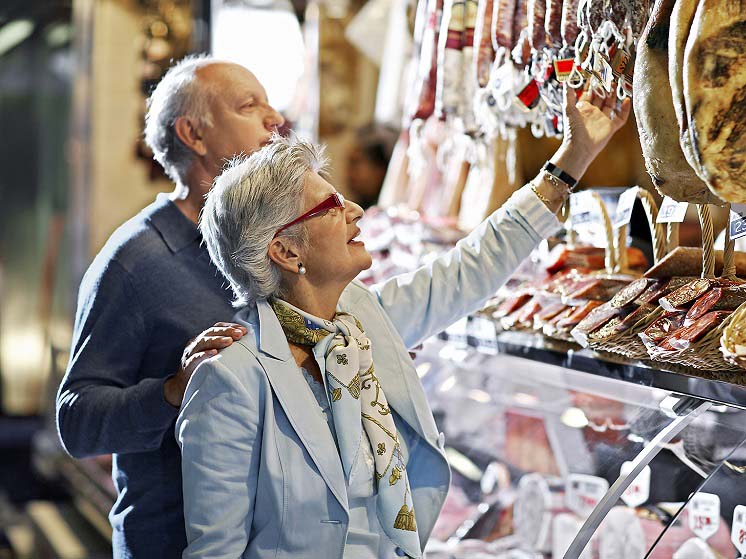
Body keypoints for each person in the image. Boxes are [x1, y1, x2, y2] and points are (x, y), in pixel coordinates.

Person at [176, 83, 629, 559]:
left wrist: (572, 159)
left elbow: (470, 268)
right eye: (330, 207)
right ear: (286, 251)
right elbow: (214, 552)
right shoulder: (230, 378)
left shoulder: (362, 320)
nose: (354, 210)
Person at [55, 55, 285, 558]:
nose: (276, 119)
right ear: (193, 135)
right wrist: (173, 390)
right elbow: (76, 420)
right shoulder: (135, 261)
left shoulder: (263, 247)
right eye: (250, 106)